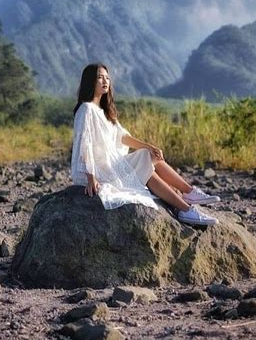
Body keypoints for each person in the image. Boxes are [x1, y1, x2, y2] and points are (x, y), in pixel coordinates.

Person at [71, 63, 220, 226]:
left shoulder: (104, 111)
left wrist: (149, 146)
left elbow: (122, 137)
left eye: (107, 77)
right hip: (101, 170)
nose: (105, 81)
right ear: (90, 81)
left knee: (149, 155)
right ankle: (185, 208)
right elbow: (85, 144)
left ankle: (189, 193)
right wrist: (91, 177)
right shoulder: (86, 109)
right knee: (144, 161)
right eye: (100, 77)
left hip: (112, 164)